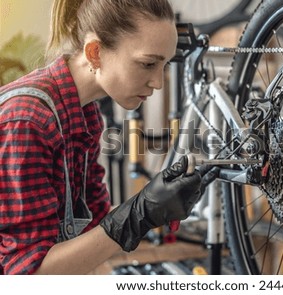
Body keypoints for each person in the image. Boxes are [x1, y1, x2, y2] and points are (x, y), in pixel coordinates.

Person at [0, 0, 217, 274]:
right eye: (148, 63)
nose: (158, 83)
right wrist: (137, 215)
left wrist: (156, 206)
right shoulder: (27, 121)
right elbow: (28, 276)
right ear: (95, 53)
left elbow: (92, 224)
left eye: (163, 66)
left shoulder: (84, 111)